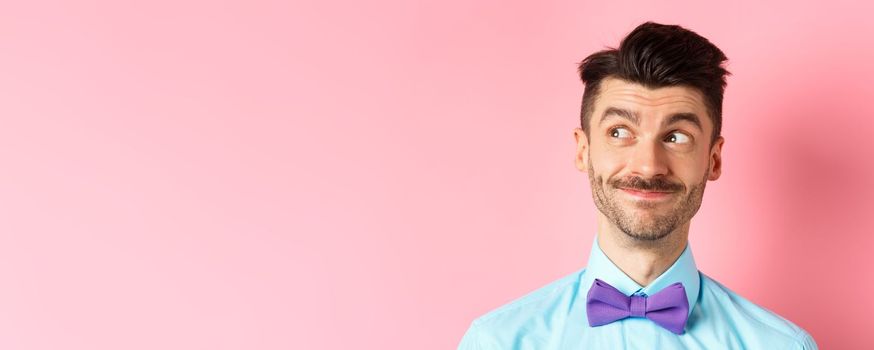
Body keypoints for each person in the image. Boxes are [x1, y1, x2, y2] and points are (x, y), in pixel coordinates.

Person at [457, 21, 817, 349]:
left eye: (677, 136)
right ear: (584, 151)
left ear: (713, 159)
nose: (649, 165)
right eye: (619, 132)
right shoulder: (498, 341)